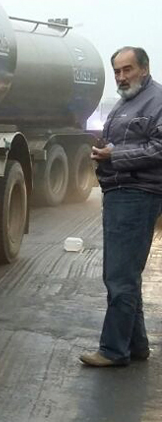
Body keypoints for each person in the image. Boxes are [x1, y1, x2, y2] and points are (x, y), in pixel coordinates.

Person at [80, 46, 162, 367]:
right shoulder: (127, 103)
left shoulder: (157, 100)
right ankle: (136, 345)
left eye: (127, 70)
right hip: (119, 192)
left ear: (144, 68)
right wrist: (102, 151)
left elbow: (159, 147)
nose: (121, 77)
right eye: (117, 71)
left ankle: (113, 350)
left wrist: (115, 156)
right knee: (126, 274)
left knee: (119, 276)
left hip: (138, 194)